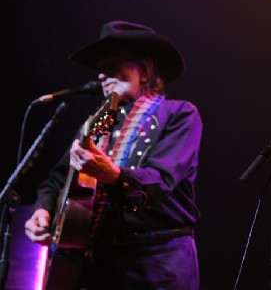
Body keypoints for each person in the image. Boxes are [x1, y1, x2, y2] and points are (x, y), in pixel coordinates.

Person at [24, 21, 202, 289]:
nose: (101, 76)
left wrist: (111, 174)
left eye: (113, 66)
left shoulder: (179, 114)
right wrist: (43, 209)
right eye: (100, 70)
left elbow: (162, 178)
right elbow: (57, 180)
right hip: (98, 262)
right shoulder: (94, 126)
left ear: (143, 71)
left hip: (158, 262)